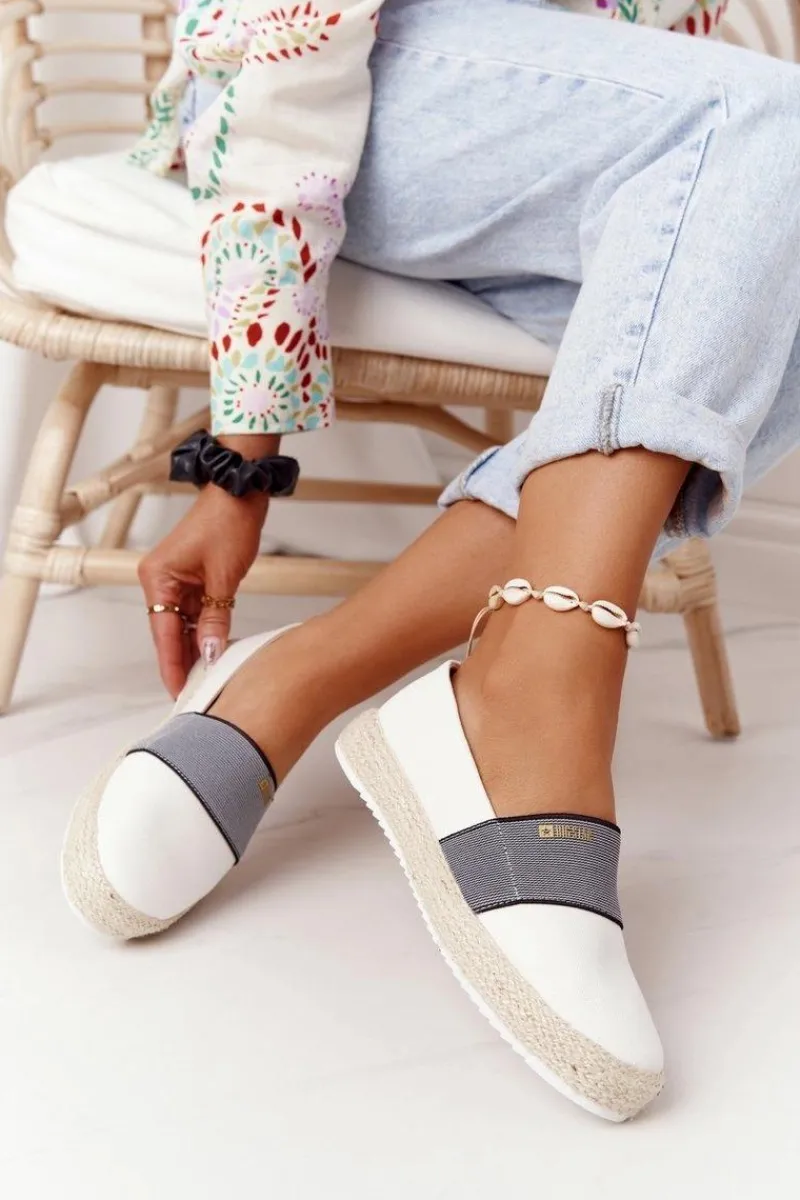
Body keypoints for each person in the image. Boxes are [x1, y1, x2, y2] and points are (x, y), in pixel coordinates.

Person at [62, 0, 800, 1121]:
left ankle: (311, 671)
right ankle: (535, 691)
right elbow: (289, 46)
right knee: (764, 125)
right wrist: (238, 463)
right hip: (343, 92)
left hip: (614, 127)